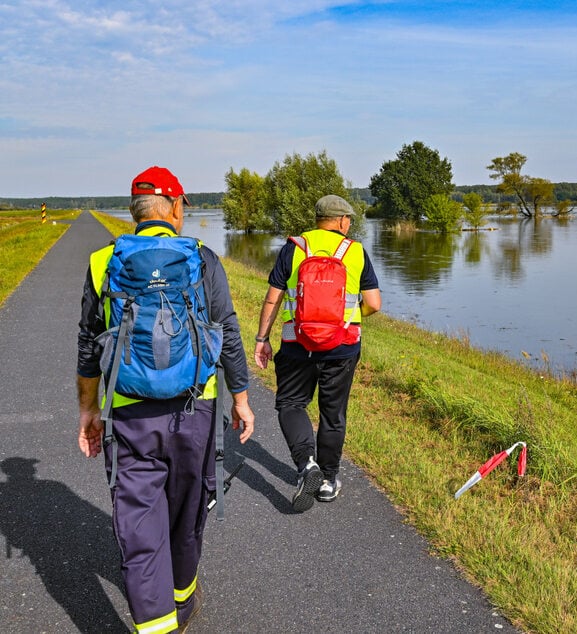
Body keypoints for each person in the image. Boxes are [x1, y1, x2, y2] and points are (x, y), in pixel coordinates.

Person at [76, 166, 255, 633]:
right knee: (186, 511)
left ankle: (156, 623)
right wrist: (240, 398)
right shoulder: (203, 258)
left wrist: (88, 411)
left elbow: (87, 343)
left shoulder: (103, 261)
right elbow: (228, 332)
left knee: (138, 525)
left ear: (135, 212)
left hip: (130, 414)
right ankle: (182, 599)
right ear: (175, 207)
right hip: (193, 408)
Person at [253, 194, 381, 512]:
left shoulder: (294, 247)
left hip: (297, 343)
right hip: (342, 346)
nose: (350, 223)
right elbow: (375, 303)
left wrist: (262, 338)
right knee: (332, 414)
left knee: (291, 403)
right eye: (349, 218)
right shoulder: (355, 251)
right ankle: (327, 481)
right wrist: (345, 317)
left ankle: (306, 464)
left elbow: (273, 298)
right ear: (341, 221)